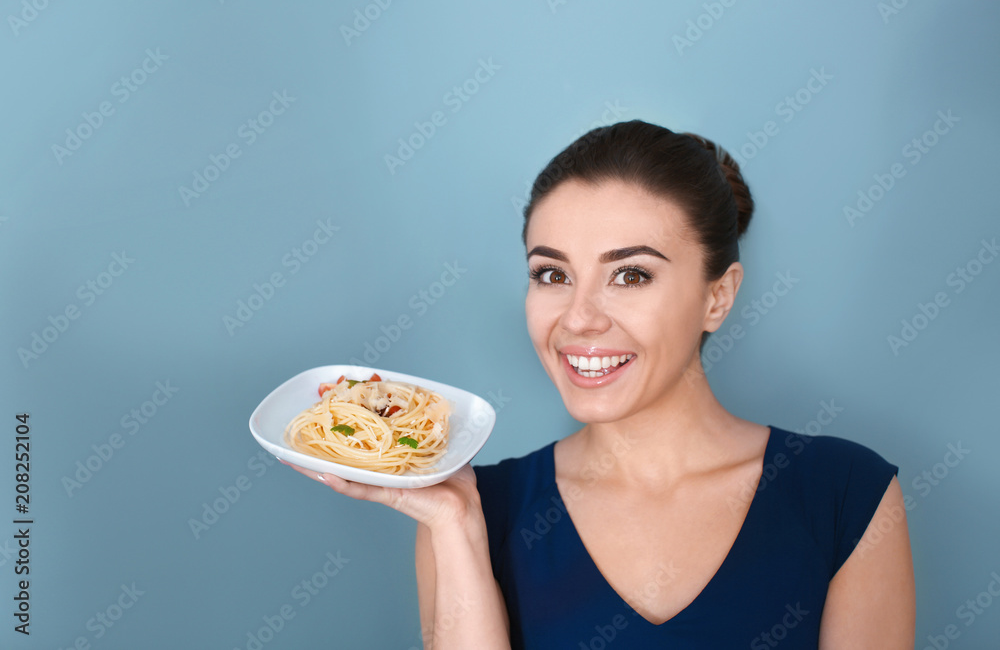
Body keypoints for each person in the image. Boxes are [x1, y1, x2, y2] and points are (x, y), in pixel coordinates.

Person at [284, 120, 916, 648]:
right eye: (552, 275)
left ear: (717, 297)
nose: (579, 317)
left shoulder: (844, 496)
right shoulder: (478, 509)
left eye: (631, 276)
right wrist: (453, 528)